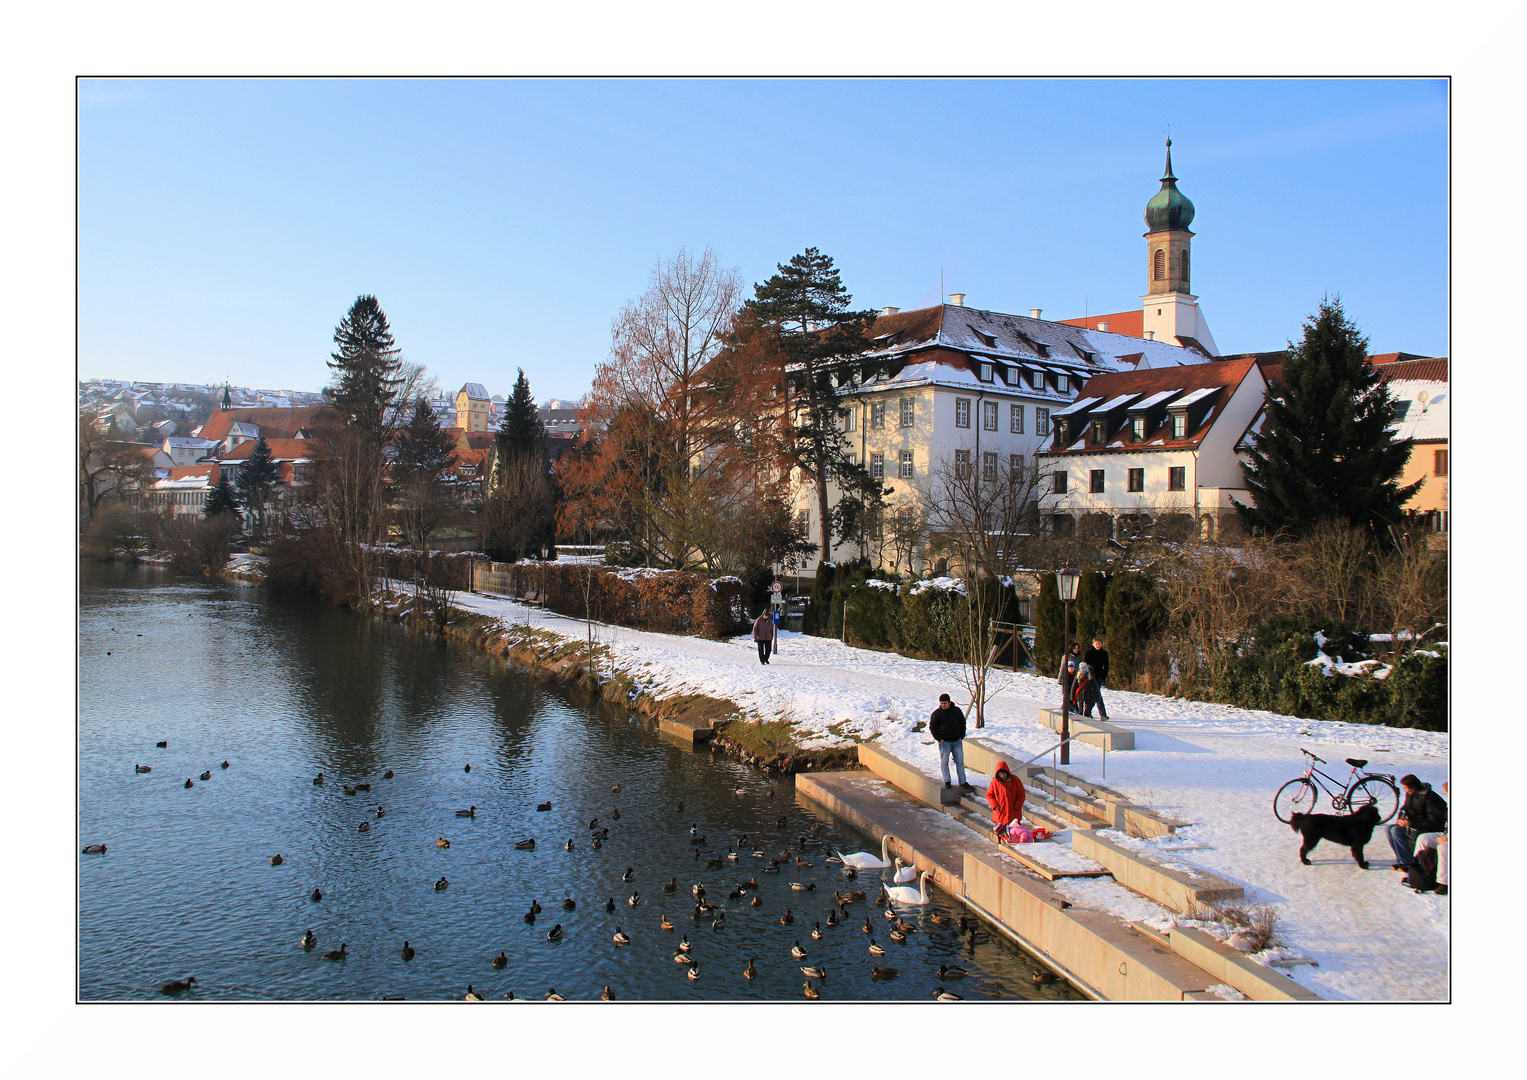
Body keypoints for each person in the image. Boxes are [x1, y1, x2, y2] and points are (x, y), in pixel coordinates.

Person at [1387, 774, 1447, 872]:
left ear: (1413, 787)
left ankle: (1408, 862)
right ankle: (1402, 860)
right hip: (1414, 825)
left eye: (1407, 788)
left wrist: (1410, 823)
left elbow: (1433, 822)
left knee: (1396, 831)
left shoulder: (1431, 799)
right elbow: (1405, 808)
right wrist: (1401, 818)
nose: (1405, 791)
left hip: (1428, 829)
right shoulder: (1411, 794)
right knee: (1388, 829)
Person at [1407, 780, 1449, 895]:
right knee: (1423, 838)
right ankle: (1417, 872)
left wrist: (1447, 838)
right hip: (1445, 834)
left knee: (1443, 847)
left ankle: (1444, 883)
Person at [929, 693, 974, 792]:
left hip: (957, 741)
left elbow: (962, 723)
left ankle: (963, 781)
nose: (943, 705)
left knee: (960, 762)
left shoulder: (956, 711)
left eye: (945, 703)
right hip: (944, 742)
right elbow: (932, 727)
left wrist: (961, 736)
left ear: (949, 702)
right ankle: (947, 781)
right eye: (941, 703)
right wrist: (939, 739)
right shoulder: (937, 713)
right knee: (945, 762)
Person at [986, 761, 1027, 841]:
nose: (1002, 776)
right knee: (1001, 836)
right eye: (1000, 774)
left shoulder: (1015, 780)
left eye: (1004, 774)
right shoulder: (994, 783)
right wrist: (995, 806)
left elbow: (1021, 793)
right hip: (1000, 814)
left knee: (1015, 835)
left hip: (1013, 814)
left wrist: (1017, 806)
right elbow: (989, 795)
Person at [1082, 637, 1110, 719]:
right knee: (1095, 694)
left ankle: (1093, 713)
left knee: (1096, 693)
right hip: (1091, 676)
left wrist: (1104, 676)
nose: (1098, 645)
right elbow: (1086, 665)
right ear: (1093, 644)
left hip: (1100, 676)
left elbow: (1106, 666)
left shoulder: (1104, 653)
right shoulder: (1089, 653)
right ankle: (1091, 713)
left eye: (1099, 644)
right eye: (1096, 644)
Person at [1057, 642, 1082, 709]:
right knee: (1067, 696)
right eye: (1075, 648)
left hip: (1075, 678)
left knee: (1074, 695)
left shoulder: (1079, 657)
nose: (1077, 650)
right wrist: (1060, 680)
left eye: (1078, 648)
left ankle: (1071, 709)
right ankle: (1065, 709)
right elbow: (1062, 668)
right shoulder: (1066, 657)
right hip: (1067, 678)